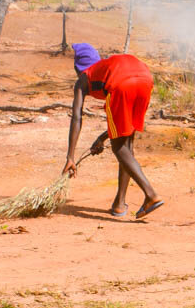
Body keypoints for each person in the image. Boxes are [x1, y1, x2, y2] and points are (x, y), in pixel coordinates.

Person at [64, 43, 164, 219]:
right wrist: (102, 138)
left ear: (77, 67)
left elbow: (77, 117)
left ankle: (151, 195)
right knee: (126, 144)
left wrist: (70, 157)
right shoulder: (106, 67)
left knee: (119, 147)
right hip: (146, 79)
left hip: (123, 84)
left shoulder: (84, 78)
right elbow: (121, 128)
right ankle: (119, 204)